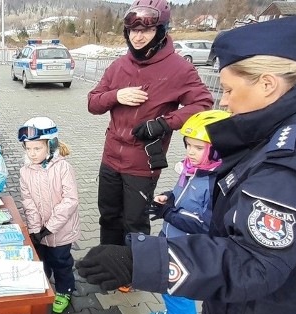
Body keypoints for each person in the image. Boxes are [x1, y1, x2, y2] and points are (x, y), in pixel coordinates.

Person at [77, 16, 296, 314]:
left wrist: (140, 261)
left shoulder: (289, 161)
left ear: (267, 84)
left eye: (228, 90)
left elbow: (252, 262)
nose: (223, 102)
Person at [87, 0, 213, 247]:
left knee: (134, 222)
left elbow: (203, 103)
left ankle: (134, 271)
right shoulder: (118, 66)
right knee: (109, 217)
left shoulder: (180, 69)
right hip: (111, 157)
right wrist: (116, 95)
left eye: (146, 30)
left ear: (161, 31)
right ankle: (108, 263)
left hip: (142, 163)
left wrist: (164, 124)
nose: (138, 36)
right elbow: (93, 103)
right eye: (133, 30)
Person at [143, 110, 229, 314]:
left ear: (217, 149)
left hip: (189, 246)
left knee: (178, 289)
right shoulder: (193, 169)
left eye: (198, 147)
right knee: (168, 286)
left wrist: (168, 214)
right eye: (188, 145)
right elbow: (180, 195)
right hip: (172, 237)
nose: (190, 151)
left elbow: (204, 223)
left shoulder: (215, 182)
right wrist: (168, 198)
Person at [17, 117, 78, 314]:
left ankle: (64, 289)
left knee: (61, 261)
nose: (32, 154)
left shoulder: (63, 168)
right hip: (41, 230)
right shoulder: (25, 172)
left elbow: (70, 201)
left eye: (37, 148)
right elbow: (28, 203)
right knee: (42, 259)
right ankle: (43, 284)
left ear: (50, 146)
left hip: (61, 230)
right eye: (28, 149)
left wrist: (50, 227)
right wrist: (35, 229)